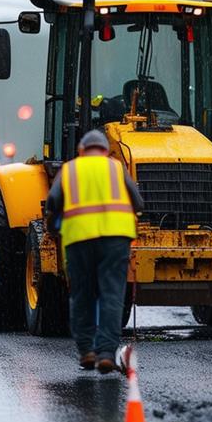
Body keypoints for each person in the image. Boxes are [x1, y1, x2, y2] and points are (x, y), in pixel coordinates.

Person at [45, 130, 144, 374]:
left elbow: (52, 202)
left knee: (82, 296)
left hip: (79, 239)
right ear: (104, 150)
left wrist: (53, 225)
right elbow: (138, 203)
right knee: (111, 295)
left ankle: (87, 351)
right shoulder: (116, 168)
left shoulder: (69, 170)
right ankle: (107, 354)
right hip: (116, 239)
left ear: (81, 150)